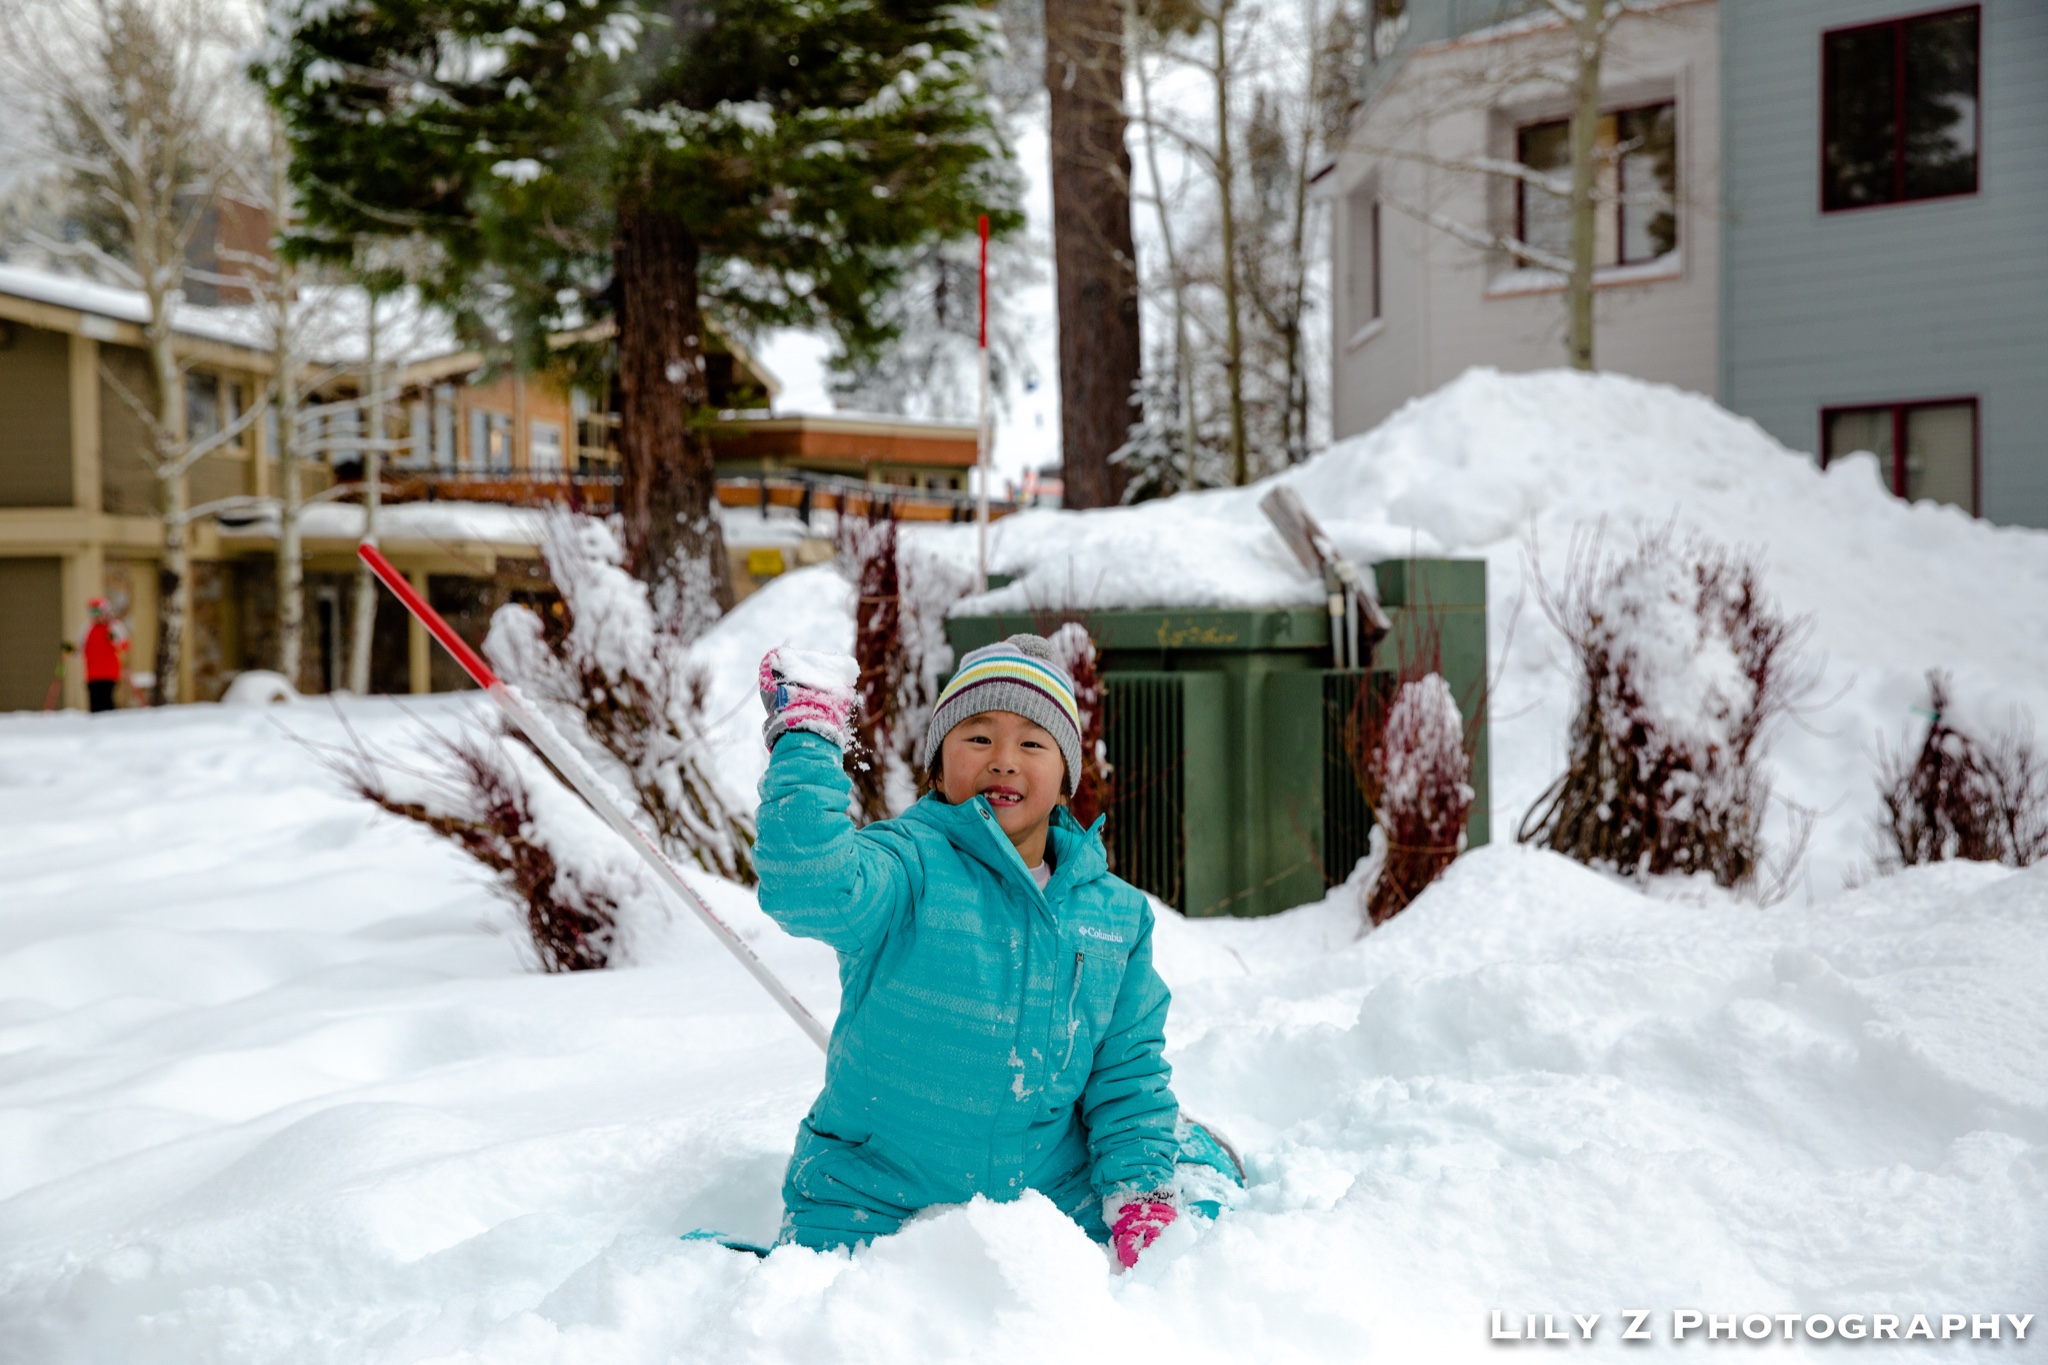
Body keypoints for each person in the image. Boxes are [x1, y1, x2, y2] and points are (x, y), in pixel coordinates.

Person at [753, 634, 1181, 1269]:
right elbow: (810, 884)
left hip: (1048, 1203)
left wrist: (1139, 1190)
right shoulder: (906, 865)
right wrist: (808, 740)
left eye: (1033, 743)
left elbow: (1126, 1073)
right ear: (938, 764)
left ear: (1066, 777)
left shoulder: (1114, 915)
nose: (1004, 760)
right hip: (869, 1195)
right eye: (977, 738)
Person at [81, 596, 128, 713]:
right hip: (92, 673)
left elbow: (123, 645)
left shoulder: (113, 626)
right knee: (94, 701)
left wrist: (113, 639)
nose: (96, 615)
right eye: (92, 612)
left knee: (106, 699)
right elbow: (80, 646)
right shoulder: (87, 628)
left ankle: (110, 725)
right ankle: (95, 728)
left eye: (98, 612)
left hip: (109, 672)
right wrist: (68, 649)